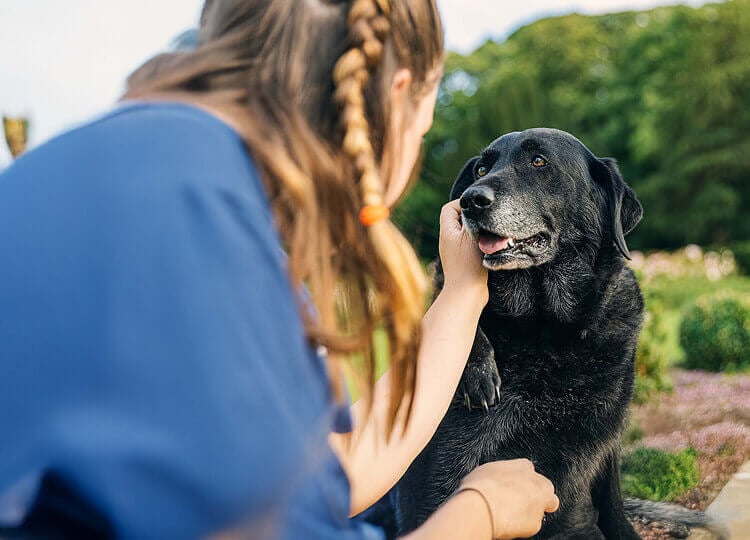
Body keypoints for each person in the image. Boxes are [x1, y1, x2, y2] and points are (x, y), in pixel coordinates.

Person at [0, 1, 559, 539]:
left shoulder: (121, 170)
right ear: (395, 96)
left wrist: (462, 294)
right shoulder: (209, 229)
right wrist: (480, 514)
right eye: (423, 127)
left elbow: (324, 473)